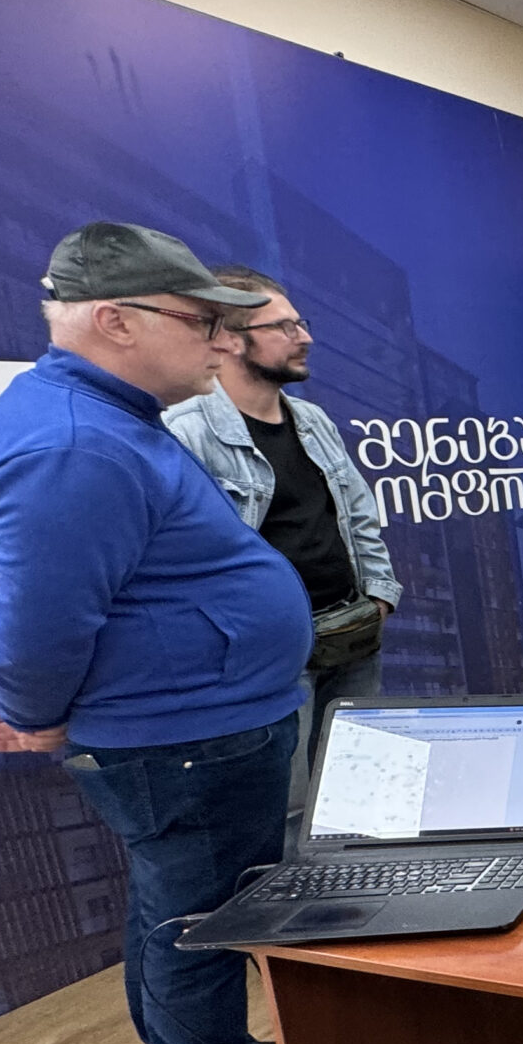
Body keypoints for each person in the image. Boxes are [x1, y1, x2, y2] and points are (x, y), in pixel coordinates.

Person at [0, 223, 311, 1044]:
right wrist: (29, 712)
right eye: (201, 322)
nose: (221, 342)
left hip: (195, 724)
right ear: (115, 321)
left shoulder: (105, 420)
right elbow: (41, 621)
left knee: (172, 907)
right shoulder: (75, 446)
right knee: (201, 920)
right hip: (183, 737)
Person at [163, 266, 401, 816]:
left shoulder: (311, 419)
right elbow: (185, 564)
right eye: (284, 327)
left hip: (351, 636)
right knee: (287, 815)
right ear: (229, 338)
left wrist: (378, 597)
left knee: (360, 802)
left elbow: (358, 512)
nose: (305, 337)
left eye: (301, 323)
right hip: (271, 659)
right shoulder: (185, 432)